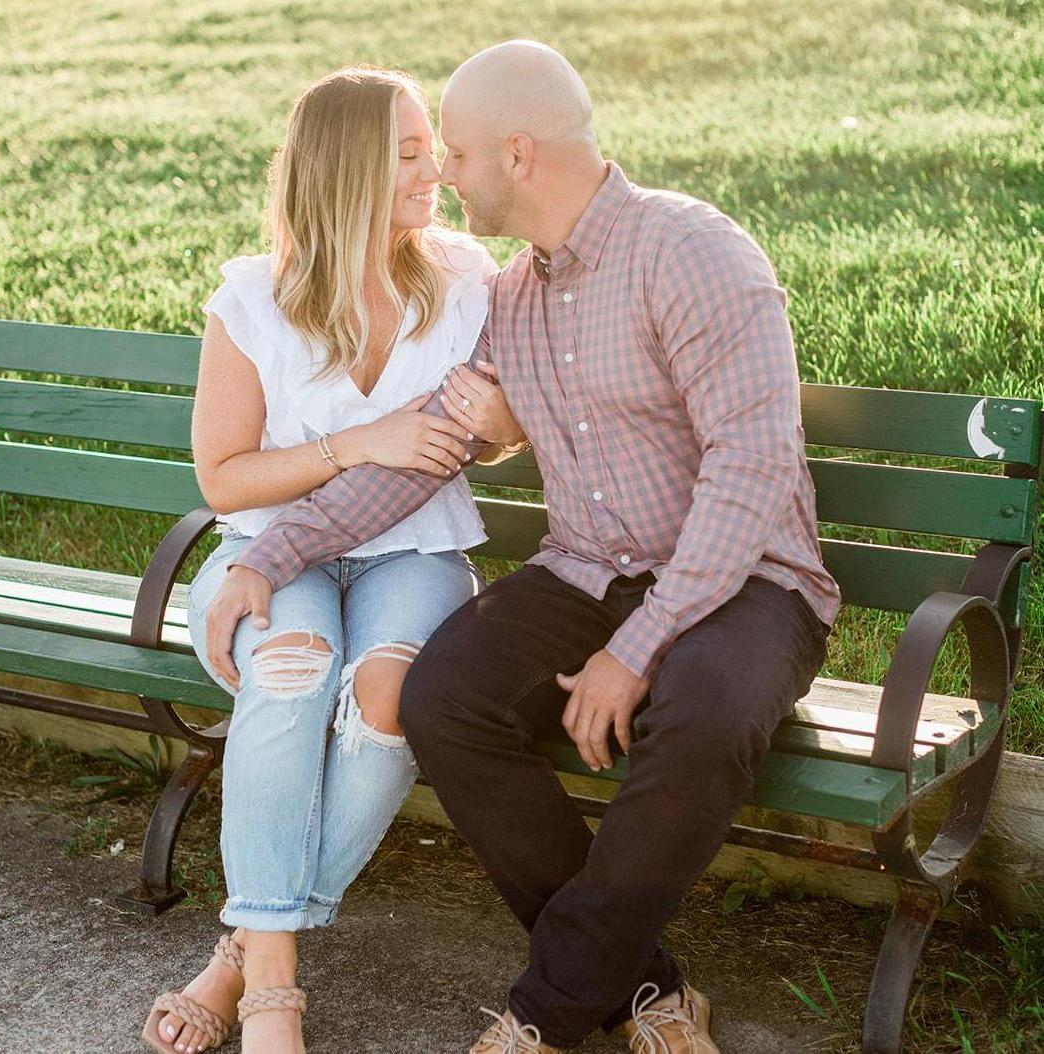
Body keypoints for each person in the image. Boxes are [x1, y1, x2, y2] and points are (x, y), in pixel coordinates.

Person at [206, 41, 842, 1054]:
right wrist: (271, 558)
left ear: (517, 153)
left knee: (702, 711)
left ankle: (543, 1016)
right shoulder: (512, 298)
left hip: (749, 582)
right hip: (589, 570)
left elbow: (752, 471)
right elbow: (421, 456)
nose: (443, 173)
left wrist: (636, 647)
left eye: (454, 153)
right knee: (444, 696)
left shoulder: (693, 252)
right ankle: (647, 989)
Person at [141, 66, 525, 1054]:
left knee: (389, 695)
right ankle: (273, 993)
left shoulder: (467, 281)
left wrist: (503, 426)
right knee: (291, 668)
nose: (435, 171)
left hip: (416, 551)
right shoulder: (254, 298)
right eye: (409, 154)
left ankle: (241, 951)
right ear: (347, 169)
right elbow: (224, 479)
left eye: (432, 150)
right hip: (269, 553)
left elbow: (494, 432)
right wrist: (358, 442)